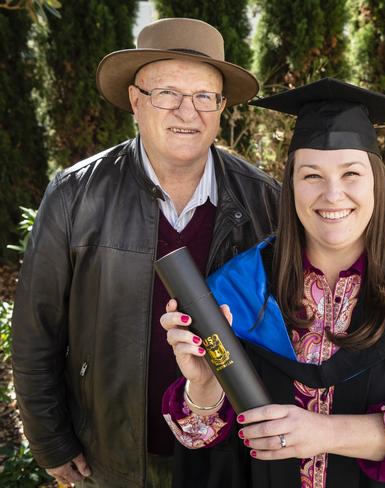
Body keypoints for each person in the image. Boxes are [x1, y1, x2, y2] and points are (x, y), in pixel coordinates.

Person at [160, 78, 385, 488]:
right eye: (311, 176)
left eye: (351, 173)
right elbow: (200, 440)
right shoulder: (239, 289)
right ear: (290, 186)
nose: (332, 193)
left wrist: (321, 432)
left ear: (378, 181)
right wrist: (202, 385)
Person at [11, 18, 280, 487]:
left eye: (203, 97)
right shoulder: (75, 195)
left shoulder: (264, 200)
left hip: (229, 458)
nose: (187, 111)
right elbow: (37, 331)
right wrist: (51, 440)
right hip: (113, 454)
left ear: (221, 108)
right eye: (167, 93)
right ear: (136, 101)